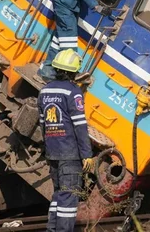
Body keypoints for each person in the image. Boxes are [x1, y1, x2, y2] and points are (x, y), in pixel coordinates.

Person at [38, 49, 95, 232]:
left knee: (58, 196)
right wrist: (87, 155)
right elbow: (79, 126)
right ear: (73, 71)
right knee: (69, 198)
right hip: (70, 153)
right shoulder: (73, 92)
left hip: (53, 151)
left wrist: (48, 148)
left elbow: (43, 125)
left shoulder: (44, 91)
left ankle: (51, 230)